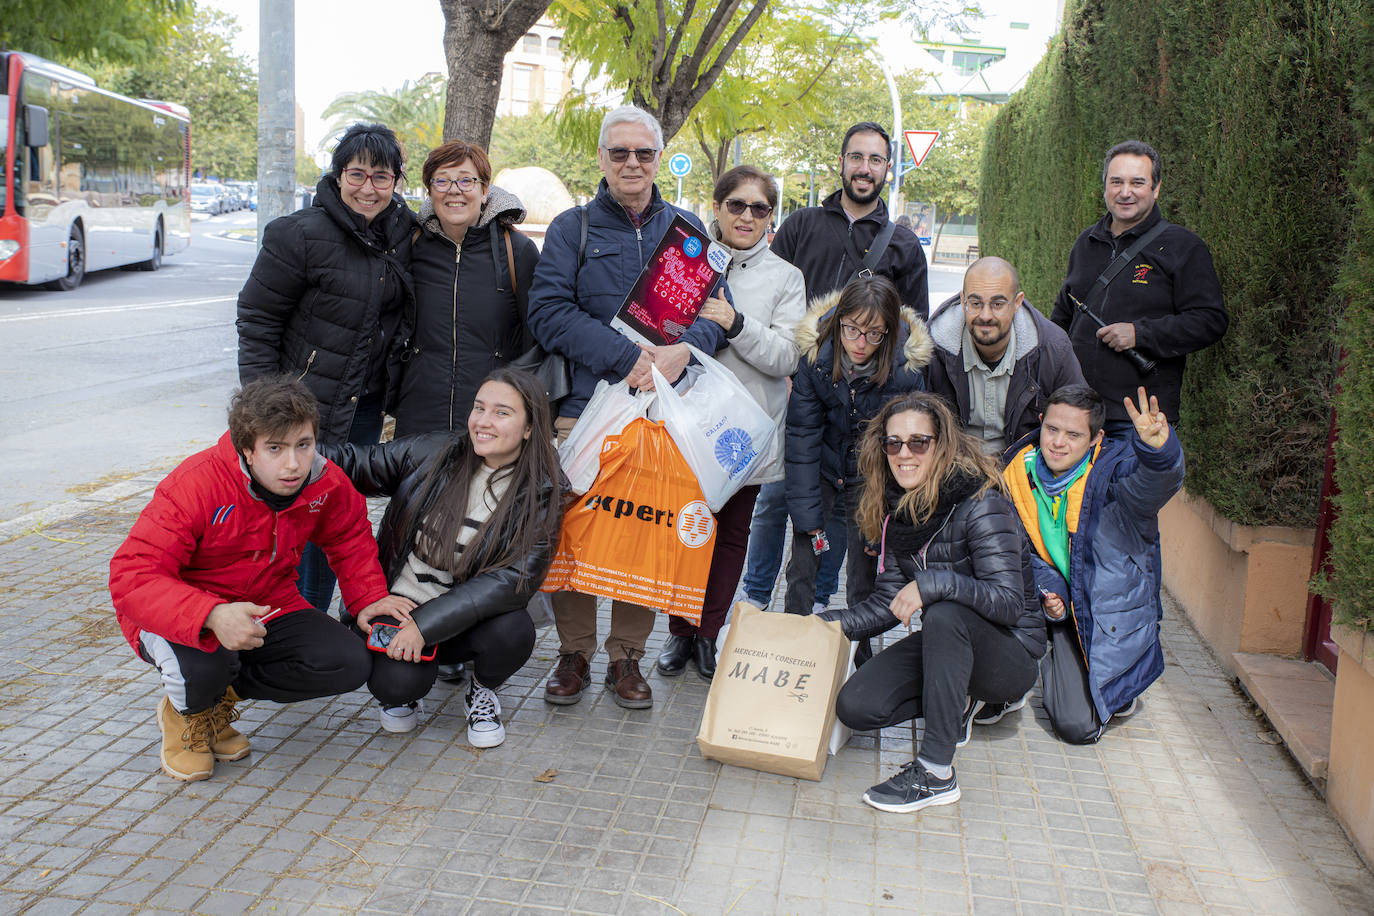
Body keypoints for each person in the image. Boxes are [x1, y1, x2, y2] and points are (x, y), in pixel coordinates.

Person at [109, 376, 413, 782]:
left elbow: (347, 535)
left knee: (348, 661)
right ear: (248, 450)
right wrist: (212, 614)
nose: (293, 463)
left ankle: (215, 701)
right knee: (204, 664)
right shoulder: (196, 483)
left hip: (268, 601)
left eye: (303, 445)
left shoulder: (324, 481)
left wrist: (369, 597)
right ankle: (188, 714)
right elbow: (132, 576)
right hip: (178, 611)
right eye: (275, 448)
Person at [527, 105, 727, 709]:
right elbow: (547, 311)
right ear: (602, 159)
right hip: (586, 409)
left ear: (659, 158)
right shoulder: (572, 228)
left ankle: (627, 658)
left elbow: (718, 316)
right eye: (620, 153)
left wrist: (683, 352)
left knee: (643, 530)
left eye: (643, 153)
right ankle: (574, 653)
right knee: (575, 533)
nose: (632, 164)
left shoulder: (689, 231)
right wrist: (626, 358)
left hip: (664, 413)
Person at [822, 392, 1045, 813]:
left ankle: (936, 772)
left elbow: (1009, 603)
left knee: (943, 612)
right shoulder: (900, 512)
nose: (903, 453)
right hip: (952, 644)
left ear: (942, 445)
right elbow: (886, 604)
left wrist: (933, 584)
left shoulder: (982, 504)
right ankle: (955, 696)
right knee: (856, 706)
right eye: (893, 443)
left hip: (1011, 653)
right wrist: (820, 625)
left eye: (918, 442)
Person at [740, 120, 929, 615]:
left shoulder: (904, 244)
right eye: (857, 157)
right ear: (841, 162)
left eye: (875, 160)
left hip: (864, 410)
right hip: (799, 386)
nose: (865, 168)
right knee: (776, 500)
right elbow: (769, 290)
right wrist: (782, 359)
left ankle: (820, 608)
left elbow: (913, 325)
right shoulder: (802, 225)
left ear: (888, 168)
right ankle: (753, 604)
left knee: (845, 513)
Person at [325, 368, 564, 744]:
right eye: (479, 408)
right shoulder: (435, 452)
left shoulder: (543, 490)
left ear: (530, 427)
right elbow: (357, 463)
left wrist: (425, 627)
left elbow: (511, 582)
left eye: (502, 413)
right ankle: (411, 685)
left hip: (459, 621)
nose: (483, 422)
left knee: (515, 629)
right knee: (397, 685)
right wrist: (289, 448)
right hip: (397, 607)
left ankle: (482, 690)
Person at [236, 122, 419, 612]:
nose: (368, 187)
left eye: (381, 177)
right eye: (357, 174)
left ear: (397, 182)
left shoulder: (404, 232)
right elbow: (257, 319)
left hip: (364, 405)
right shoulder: (297, 234)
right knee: (304, 512)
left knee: (341, 510)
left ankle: (350, 608)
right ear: (337, 176)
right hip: (303, 406)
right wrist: (263, 408)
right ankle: (303, 618)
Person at [655, 166, 804, 680]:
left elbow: (787, 356)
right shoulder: (684, 260)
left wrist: (736, 324)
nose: (746, 216)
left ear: (771, 218)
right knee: (687, 529)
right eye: (736, 205)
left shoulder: (787, 278)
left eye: (758, 208)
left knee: (732, 534)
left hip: (743, 433)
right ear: (716, 207)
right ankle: (678, 633)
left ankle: (708, 636)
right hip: (684, 421)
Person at [1000, 384, 1183, 740]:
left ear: (1096, 438)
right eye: (1052, 429)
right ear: (1041, 423)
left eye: (1073, 434)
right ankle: (1016, 680)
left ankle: (1112, 684)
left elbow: (1154, 484)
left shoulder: (1114, 476)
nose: (1057, 442)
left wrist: (1159, 451)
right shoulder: (1014, 475)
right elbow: (1021, 553)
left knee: (1075, 727)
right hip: (1058, 606)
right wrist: (1052, 596)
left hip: (1104, 621)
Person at [1050, 140, 1228, 437]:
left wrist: (1139, 334)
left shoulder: (1183, 247)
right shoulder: (1086, 243)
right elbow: (1062, 316)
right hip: (1077, 414)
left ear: (1156, 189)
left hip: (1139, 421)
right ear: (1105, 186)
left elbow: (1211, 320)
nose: (1125, 192)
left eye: (1137, 182)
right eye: (1116, 181)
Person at [783, 275, 931, 618]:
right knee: (804, 563)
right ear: (839, 322)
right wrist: (808, 516)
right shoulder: (816, 358)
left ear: (890, 332)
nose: (860, 343)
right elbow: (803, 436)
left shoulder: (904, 372)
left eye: (874, 334)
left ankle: (860, 656)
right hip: (822, 465)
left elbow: (903, 450)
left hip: (872, 476)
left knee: (864, 572)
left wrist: (885, 510)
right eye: (851, 329)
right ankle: (792, 637)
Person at [393, 140, 540, 439]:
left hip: (491, 422)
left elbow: (534, 340)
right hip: (419, 417)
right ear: (430, 190)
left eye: (466, 180)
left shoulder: (517, 252)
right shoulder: (410, 247)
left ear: (485, 190)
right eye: (442, 181)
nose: (454, 190)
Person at [925, 256, 1085, 456]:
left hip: (1025, 467)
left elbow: (1079, 419)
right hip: (952, 465)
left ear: (1017, 302)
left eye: (998, 304)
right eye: (975, 303)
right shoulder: (931, 349)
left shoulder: (1053, 349)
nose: (985, 315)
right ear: (963, 300)